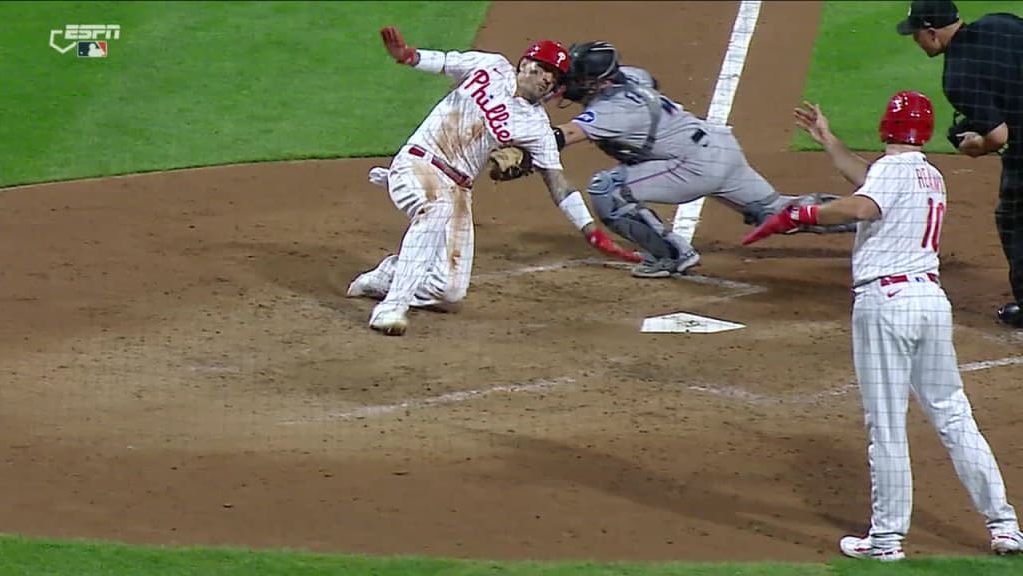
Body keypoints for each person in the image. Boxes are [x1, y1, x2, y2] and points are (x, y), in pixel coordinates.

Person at [744, 91, 1023, 561]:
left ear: (885, 128)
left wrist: (804, 214)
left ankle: (887, 539)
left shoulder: (889, 176)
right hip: (930, 302)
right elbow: (869, 183)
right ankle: (1005, 525)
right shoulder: (930, 174)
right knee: (955, 416)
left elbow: (861, 207)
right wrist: (829, 142)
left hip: (885, 305)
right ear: (926, 131)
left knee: (887, 425)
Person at [347, 27, 639, 336]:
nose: (545, 78)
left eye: (552, 77)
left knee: (449, 292)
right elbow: (447, 62)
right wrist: (409, 57)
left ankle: (390, 274)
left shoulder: (537, 127)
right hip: (419, 161)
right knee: (436, 209)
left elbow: (558, 184)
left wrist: (592, 232)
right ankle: (392, 306)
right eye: (542, 69)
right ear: (525, 63)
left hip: (458, 188)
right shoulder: (492, 66)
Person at [550, 41, 854, 279]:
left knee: (608, 189)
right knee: (776, 212)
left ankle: (672, 255)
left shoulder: (610, 111)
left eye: (579, 79)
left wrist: (521, 144)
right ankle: (869, 214)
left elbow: (562, 137)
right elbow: (650, 80)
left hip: (691, 166)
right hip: (719, 147)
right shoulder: (631, 76)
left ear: (600, 83)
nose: (571, 84)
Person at [897, 0, 1023, 328]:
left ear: (932, 33)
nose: (915, 40)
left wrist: (975, 145)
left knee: (1014, 219)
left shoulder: (958, 74)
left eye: (916, 34)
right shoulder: (1002, 22)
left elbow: (997, 136)